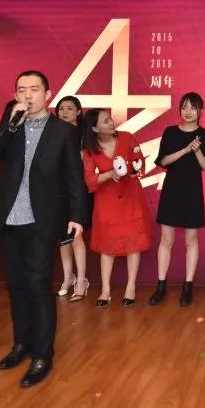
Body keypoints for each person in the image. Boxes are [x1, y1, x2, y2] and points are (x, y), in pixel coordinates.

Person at [0, 71, 86, 389]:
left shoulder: (64, 131)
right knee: (16, 286)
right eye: (21, 90)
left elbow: (74, 176)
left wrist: (78, 215)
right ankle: (21, 344)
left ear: (48, 95)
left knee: (39, 285)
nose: (27, 95)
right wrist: (8, 125)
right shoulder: (11, 124)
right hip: (8, 218)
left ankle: (42, 354)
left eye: (34, 90)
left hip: (42, 219)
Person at [82, 109, 152, 307]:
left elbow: (140, 162)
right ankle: (105, 290)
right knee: (107, 244)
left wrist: (136, 169)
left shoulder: (127, 137)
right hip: (107, 201)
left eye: (110, 119)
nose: (111, 122)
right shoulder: (90, 149)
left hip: (131, 197)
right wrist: (108, 174)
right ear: (95, 128)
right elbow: (89, 180)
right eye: (105, 121)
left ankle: (131, 287)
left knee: (133, 242)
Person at [148, 92, 205, 307]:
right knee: (166, 239)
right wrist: (185, 149)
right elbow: (164, 161)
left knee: (191, 240)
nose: (188, 111)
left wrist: (197, 150)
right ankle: (161, 286)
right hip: (172, 191)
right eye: (184, 107)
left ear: (200, 111)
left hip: (192, 192)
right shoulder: (171, 132)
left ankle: (188, 286)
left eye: (193, 108)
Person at [54, 95, 91, 303]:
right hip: (57, 190)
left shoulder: (84, 136)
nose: (64, 112)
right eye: (61, 108)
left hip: (78, 190)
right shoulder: (52, 133)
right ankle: (68, 277)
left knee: (76, 235)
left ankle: (82, 280)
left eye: (69, 108)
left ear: (78, 112)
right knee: (63, 237)